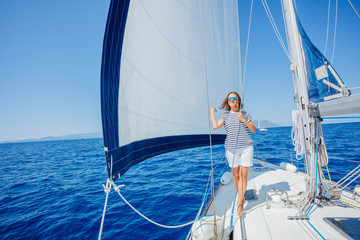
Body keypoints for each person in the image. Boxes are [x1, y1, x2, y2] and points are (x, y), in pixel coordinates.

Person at [210, 92, 256, 216]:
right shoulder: (225, 116)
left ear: (238, 100)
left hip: (246, 148)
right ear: (227, 101)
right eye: (229, 99)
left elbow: (254, 130)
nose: (232, 100)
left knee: (243, 176)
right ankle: (242, 197)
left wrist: (243, 119)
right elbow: (215, 126)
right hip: (231, 149)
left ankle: (240, 202)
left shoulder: (245, 114)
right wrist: (211, 113)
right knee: (236, 176)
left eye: (234, 98)